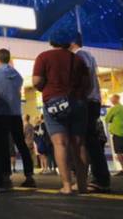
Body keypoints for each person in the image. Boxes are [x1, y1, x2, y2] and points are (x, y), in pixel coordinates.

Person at [32, 29, 91, 195]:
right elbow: (88, 85)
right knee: (79, 145)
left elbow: (36, 81)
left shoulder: (44, 57)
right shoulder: (78, 59)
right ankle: (82, 185)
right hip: (78, 102)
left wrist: (47, 88)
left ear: (52, 41)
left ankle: (66, 185)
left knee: (60, 143)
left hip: (54, 103)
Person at [70, 34, 111, 192]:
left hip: (87, 101)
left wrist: (79, 95)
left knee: (89, 141)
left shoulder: (81, 54)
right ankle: (96, 178)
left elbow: (84, 77)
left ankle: (100, 179)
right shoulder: (88, 55)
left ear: (72, 41)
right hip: (92, 100)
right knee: (88, 141)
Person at [0, 49, 36, 189]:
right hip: (16, 113)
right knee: (21, 144)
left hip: (0, 113)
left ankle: (5, 176)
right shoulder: (17, 75)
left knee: (2, 145)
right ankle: (29, 175)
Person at [106, 94, 123, 177]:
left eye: (111, 99)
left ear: (115, 100)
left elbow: (107, 119)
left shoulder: (114, 108)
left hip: (117, 133)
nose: (111, 101)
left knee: (119, 152)